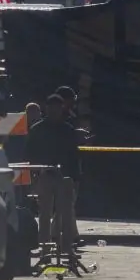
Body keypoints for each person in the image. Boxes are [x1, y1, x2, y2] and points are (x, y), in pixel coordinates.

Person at [26, 94, 81, 254]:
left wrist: (75, 178)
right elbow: (29, 154)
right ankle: (44, 247)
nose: (54, 111)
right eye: (51, 108)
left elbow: (74, 155)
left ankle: (66, 247)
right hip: (45, 175)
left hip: (65, 177)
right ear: (47, 109)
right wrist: (34, 176)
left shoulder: (67, 130)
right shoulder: (37, 130)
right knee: (44, 213)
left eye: (57, 108)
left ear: (61, 108)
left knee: (65, 213)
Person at [53, 86, 90, 246]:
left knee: (68, 204)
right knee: (65, 204)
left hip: (72, 165)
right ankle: (61, 235)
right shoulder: (61, 120)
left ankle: (69, 235)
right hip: (65, 167)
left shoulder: (68, 118)